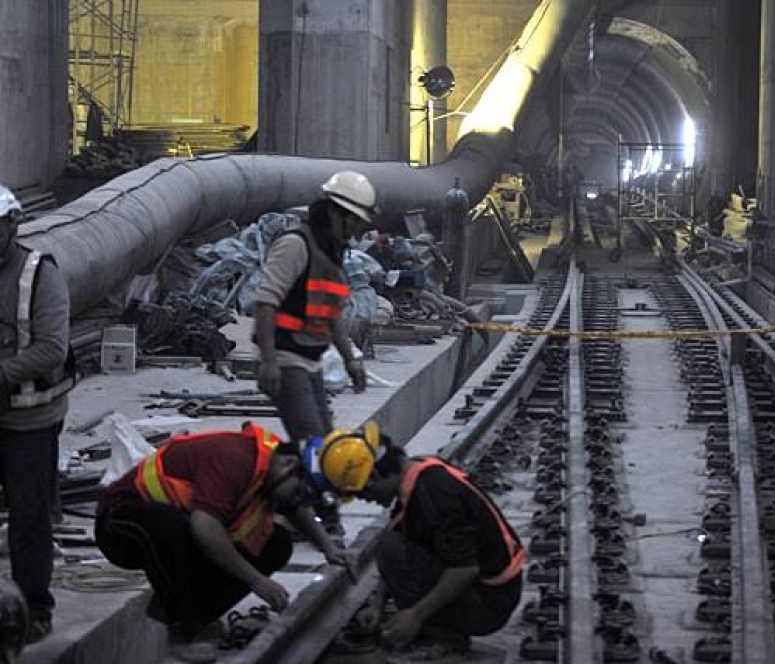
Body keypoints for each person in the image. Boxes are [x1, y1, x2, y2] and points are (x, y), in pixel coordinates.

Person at [95, 422, 350, 652]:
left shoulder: (275, 466)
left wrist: (327, 547)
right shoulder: (234, 459)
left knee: (277, 543)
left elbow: (294, 504)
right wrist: (256, 581)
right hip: (120, 524)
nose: (300, 500)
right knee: (169, 527)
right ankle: (185, 630)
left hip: (180, 531)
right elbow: (205, 527)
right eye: (301, 491)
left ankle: (191, 613)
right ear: (290, 466)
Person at [303, 422, 524, 653]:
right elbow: (400, 530)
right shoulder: (417, 472)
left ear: (376, 474)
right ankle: (435, 621)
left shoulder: (435, 498)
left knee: (390, 548)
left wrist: (415, 615)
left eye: (364, 492)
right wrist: (377, 604)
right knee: (390, 543)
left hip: (488, 605)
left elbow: (465, 569)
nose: (367, 500)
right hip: (493, 591)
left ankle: (444, 637)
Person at [0, 184, 74, 644]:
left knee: (28, 518)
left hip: (29, 421)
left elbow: (51, 348)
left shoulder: (38, 275)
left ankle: (35, 608)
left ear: (12, 225)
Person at [254, 171, 376, 443]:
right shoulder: (295, 245)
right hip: (287, 359)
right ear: (335, 213)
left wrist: (350, 361)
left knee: (325, 440)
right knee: (315, 443)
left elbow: (331, 316)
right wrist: (269, 362)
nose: (356, 230)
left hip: (311, 359)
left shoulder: (330, 252)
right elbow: (265, 304)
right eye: (354, 221)